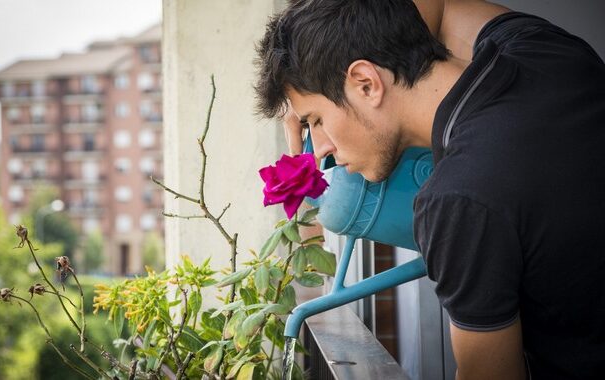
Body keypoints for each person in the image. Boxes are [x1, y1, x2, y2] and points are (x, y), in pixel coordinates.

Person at [253, 0, 605, 379]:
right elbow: (436, 7)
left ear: (367, 83)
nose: (319, 150)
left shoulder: (457, 200)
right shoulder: (542, 48)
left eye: (316, 120)